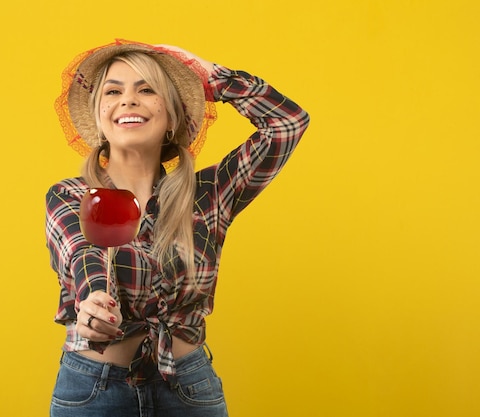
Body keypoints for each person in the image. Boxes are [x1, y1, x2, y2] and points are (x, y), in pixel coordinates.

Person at [45, 39, 310, 417]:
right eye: (114, 90)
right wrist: (94, 302)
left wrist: (211, 77)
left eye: (147, 89)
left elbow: (287, 124)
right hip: (94, 389)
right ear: (99, 115)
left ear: (171, 116)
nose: (129, 100)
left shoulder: (209, 194)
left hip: (188, 387)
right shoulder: (69, 195)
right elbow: (81, 253)